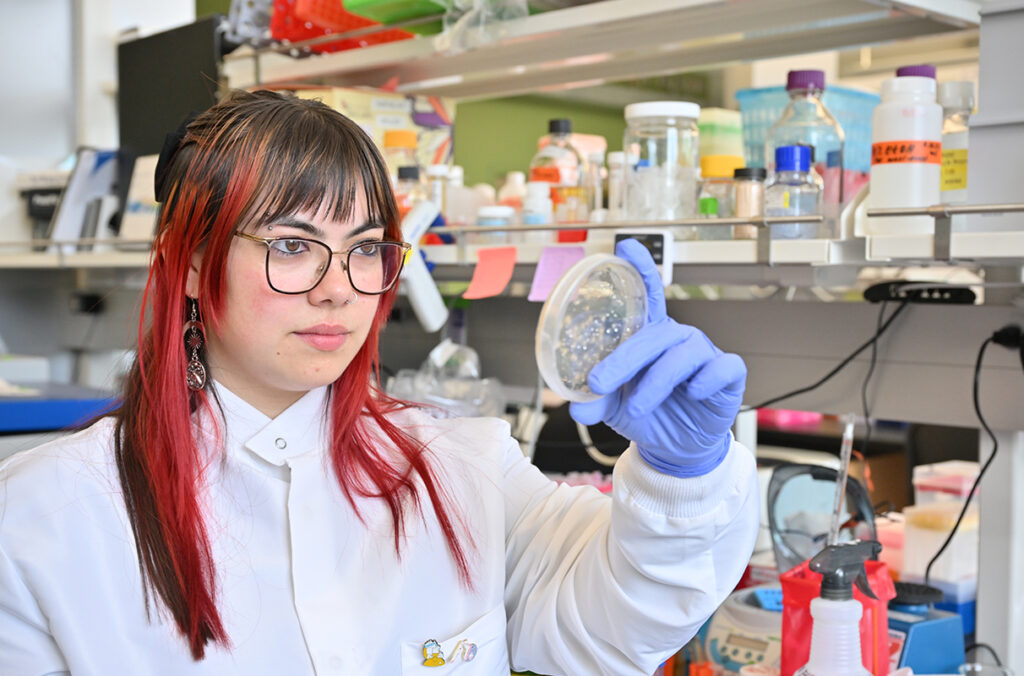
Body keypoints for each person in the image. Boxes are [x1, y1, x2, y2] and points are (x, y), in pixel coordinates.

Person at [0, 90, 758, 675]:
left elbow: (614, 626)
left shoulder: (461, 465)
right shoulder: (46, 520)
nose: (340, 288)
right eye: (294, 245)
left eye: (366, 249)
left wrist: (679, 475)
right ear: (194, 262)